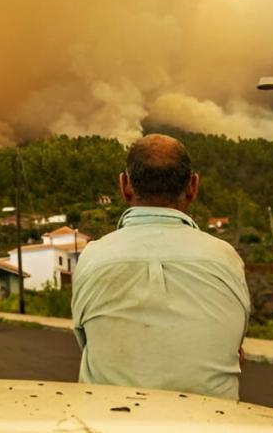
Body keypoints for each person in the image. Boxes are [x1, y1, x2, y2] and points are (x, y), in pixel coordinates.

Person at [72, 134, 251, 400]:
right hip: (212, 423)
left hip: (108, 422)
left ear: (125, 186)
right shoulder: (225, 258)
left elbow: (88, 341)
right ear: (193, 186)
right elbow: (233, 347)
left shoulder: (93, 257)